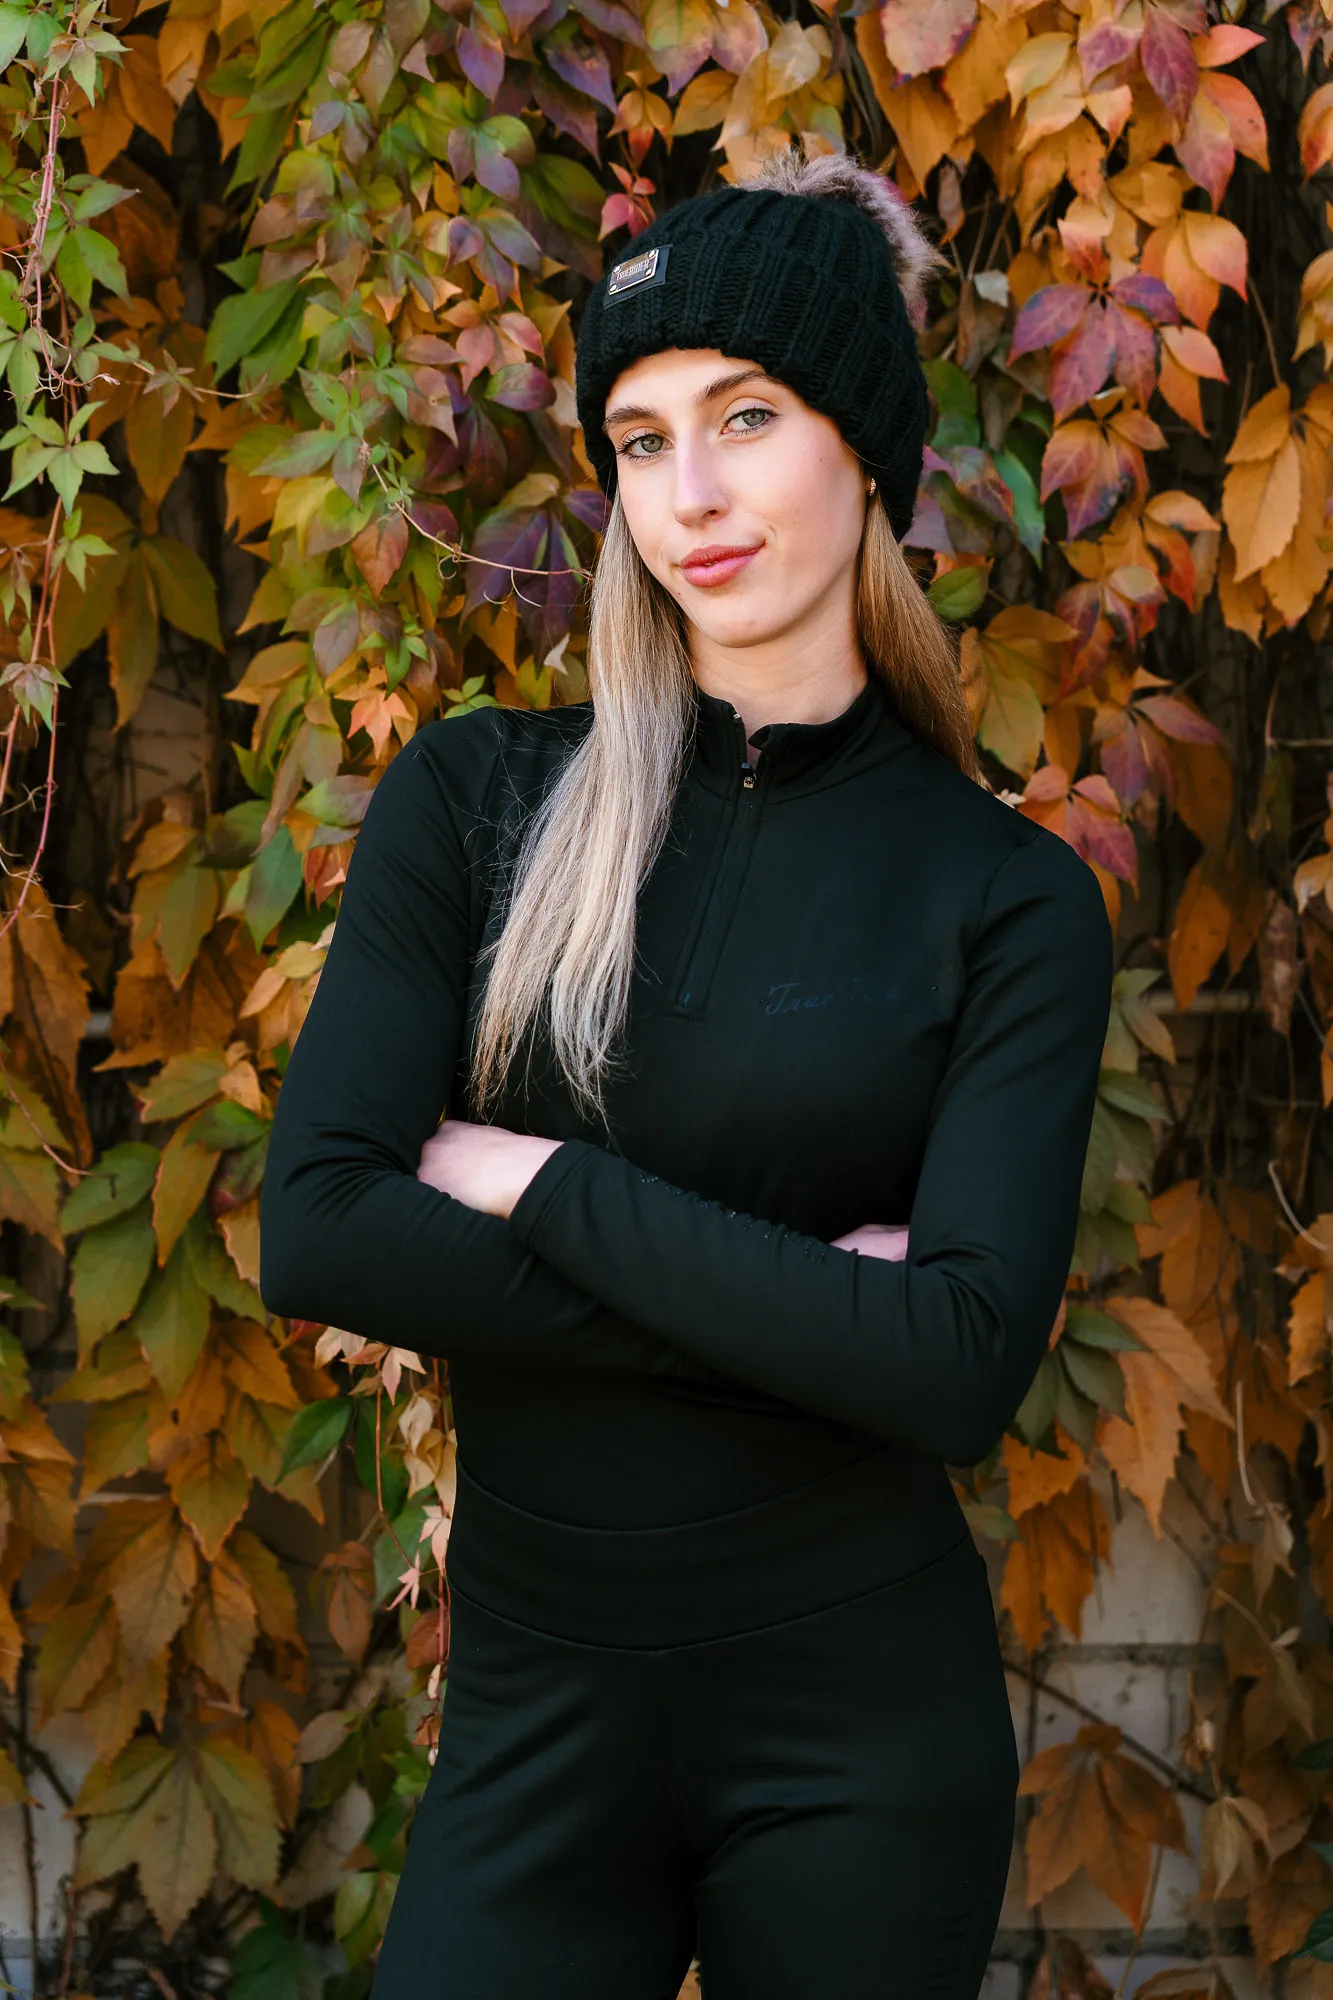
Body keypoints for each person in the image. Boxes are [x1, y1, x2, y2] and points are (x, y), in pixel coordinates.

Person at [260, 149, 1114, 2000]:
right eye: (640, 441)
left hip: (858, 1747)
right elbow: (319, 1231)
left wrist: (535, 1183)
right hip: (529, 1733)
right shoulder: (480, 805)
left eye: (745, 418)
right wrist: (817, 1312)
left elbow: (958, 1367)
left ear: (866, 452)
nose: (689, 496)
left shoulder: (1008, 901)